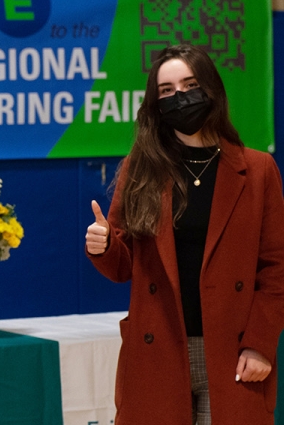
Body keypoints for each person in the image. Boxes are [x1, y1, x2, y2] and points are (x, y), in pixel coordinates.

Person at [85, 44, 284, 424]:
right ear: (155, 104)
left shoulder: (258, 170)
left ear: (211, 88)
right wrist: (105, 245)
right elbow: (122, 267)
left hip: (234, 351)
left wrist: (260, 345)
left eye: (190, 84)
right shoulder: (140, 168)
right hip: (157, 351)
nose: (180, 97)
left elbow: (276, 269)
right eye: (167, 90)